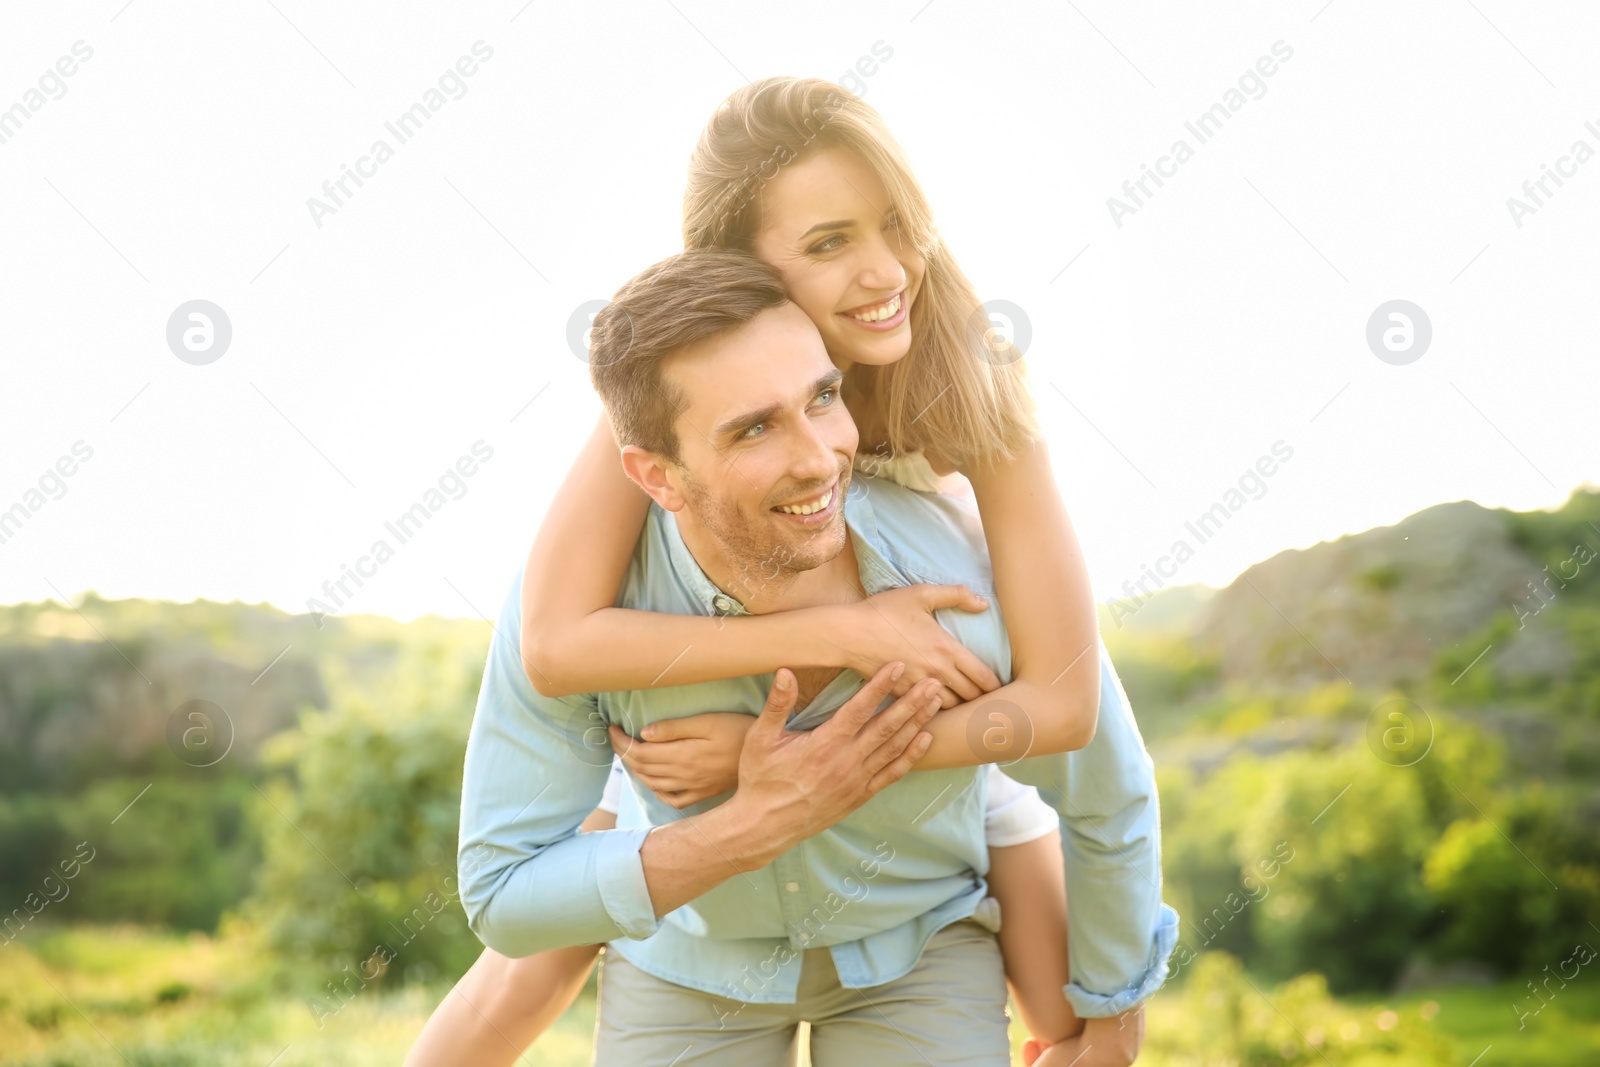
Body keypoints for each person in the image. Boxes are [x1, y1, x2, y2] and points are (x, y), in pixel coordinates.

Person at [411, 78, 1177, 1066]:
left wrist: (801, 759)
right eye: (827, 243)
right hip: (746, 746)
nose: (882, 270)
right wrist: (832, 644)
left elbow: (1070, 713)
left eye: (895, 225)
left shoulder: (970, 373)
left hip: (938, 723)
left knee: (1020, 864)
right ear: (738, 271)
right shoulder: (672, 400)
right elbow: (555, 642)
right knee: (557, 923)